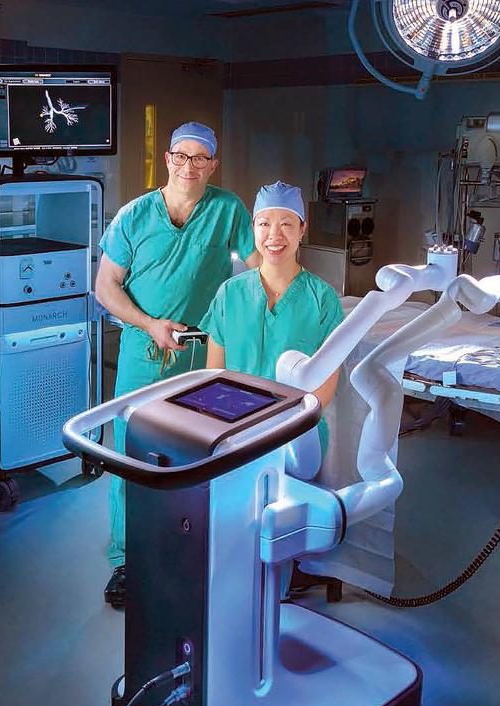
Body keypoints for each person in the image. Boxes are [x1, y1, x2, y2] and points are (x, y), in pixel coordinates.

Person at [95, 121, 258, 608]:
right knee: (132, 454)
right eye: (180, 157)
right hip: (145, 351)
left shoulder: (227, 209)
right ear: (167, 160)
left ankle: (194, 544)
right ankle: (128, 559)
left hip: (201, 353)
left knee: (202, 451)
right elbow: (105, 288)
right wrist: (148, 324)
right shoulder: (135, 216)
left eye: (200, 158)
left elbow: (258, 265)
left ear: (213, 164)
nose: (189, 166)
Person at [200, 180, 343, 461]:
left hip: (297, 436)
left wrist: (287, 427)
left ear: (302, 229)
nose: (274, 235)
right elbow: (214, 375)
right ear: (253, 228)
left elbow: (326, 386)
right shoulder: (230, 294)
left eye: (287, 224)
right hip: (235, 432)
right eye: (264, 224)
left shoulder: (322, 298)